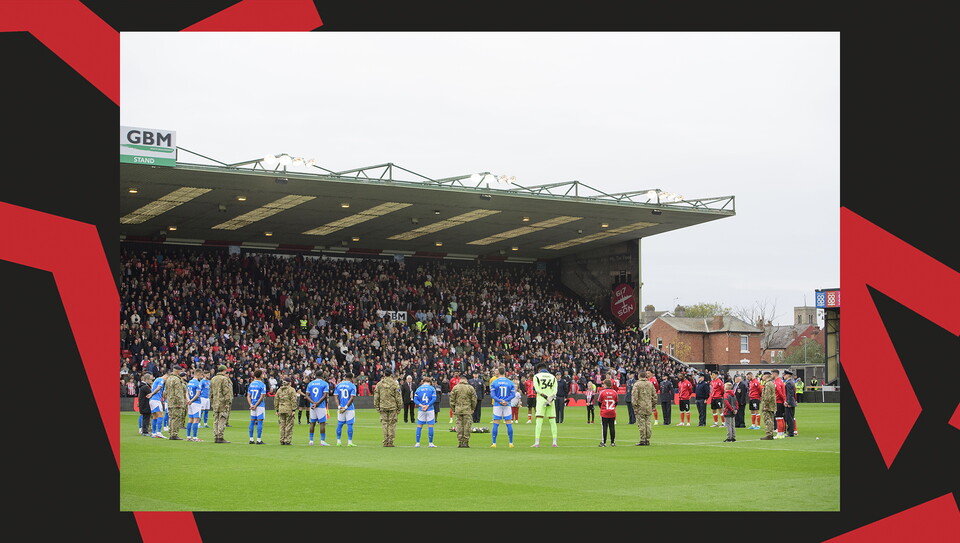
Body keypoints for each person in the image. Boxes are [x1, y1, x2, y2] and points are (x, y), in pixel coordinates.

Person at [531, 364, 559, 447]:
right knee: (552, 421)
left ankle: (537, 442)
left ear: (539, 369)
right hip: (551, 400)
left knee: (539, 421)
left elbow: (537, 389)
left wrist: (545, 397)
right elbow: (555, 390)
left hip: (541, 400)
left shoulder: (536, 376)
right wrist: (550, 397)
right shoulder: (553, 377)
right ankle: (554, 442)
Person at [373, 368, 402, 447]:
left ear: (384, 374)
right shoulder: (395, 384)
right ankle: (391, 441)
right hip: (392, 407)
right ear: (391, 374)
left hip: (383, 406)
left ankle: (385, 441)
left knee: (384, 424)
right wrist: (399, 407)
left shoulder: (379, 384)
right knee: (392, 424)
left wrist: (377, 406)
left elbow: (376, 397)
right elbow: (398, 397)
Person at [489, 367, 516, 448]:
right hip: (507, 405)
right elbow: (513, 395)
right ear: (505, 373)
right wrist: (506, 401)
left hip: (497, 405)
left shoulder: (494, 382)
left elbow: (492, 395)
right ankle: (511, 443)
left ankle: (494, 443)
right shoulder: (510, 382)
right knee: (509, 423)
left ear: (498, 373)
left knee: (496, 423)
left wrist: (500, 401)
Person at [450, 373, 477, 447]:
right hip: (467, 409)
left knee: (459, 425)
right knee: (467, 425)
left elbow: (452, 400)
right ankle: (466, 442)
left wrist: (453, 408)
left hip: (458, 409)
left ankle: (460, 442)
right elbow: (474, 400)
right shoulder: (470, 388)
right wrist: (473, 408)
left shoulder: (455, 388)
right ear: (466, 380)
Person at [305, 372, 331, 446]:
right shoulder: (325, 383)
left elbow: (307, 395)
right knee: (322, 423)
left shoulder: (310, 383)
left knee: (312, 423)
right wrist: (317, 403)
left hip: (312, 406)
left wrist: (313, 403)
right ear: (322, 376)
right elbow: (325, 395)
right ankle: (322, 441)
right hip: (321, 406)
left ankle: (311, 441)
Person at [632, 372, 656, 446]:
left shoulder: (637, 384)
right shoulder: (650, 384)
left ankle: (643, 439)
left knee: (641, 423)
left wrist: (635, 406)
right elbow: (654, 396)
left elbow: (634, 396)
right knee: (648, 423)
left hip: (640, 406)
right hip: (648, 405)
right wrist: (653, 405)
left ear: (639, 376)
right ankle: (648, 439)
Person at [209, 365, 232, 443]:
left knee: (216, 419)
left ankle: (216, 436)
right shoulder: (224, 379)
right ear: (224, 371)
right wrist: (228, 402)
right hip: (222, 402)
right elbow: (226, 391)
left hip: (215, 402)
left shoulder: (213, 379)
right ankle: (220, 436)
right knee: (222, 419)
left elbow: (211, 392)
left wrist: (212, 401)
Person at [334, 373, 358, 446]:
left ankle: (338, 441)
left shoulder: (338, 385)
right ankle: (349, 442)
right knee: (350, 424)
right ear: (351, 378)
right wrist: (346, 407)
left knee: (339, 424)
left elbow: (335, 396)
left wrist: (339, 406)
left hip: (341, 407)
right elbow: (352, 397)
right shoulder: (352, 386)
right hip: (349, 408)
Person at [414, 376, 438, 447]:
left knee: (419, 426)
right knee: (430, 426)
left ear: (423, 382)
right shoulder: (432, 388)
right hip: (430, 409)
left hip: (421, 409)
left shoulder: (418, 389)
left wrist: (421, 405)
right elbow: (434, 399)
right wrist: (427, 405)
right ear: (430, 382)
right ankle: (430, 443)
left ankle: (417, 443)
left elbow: (415, 399)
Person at [165, 368, 187, 441]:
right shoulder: (177, 379)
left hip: (170, 401)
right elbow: (178, 392)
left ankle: (171, 432)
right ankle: (174, 434)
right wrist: (181, 402)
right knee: (176, 418)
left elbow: (166, 391)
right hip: (176, 402)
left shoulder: (168, 378)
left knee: (171, 417)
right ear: (177, 371)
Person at [275, 377, 298, 445]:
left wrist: (277, 409)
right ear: (289, 383)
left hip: (281, 409)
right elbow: (293, 400)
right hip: (289, 409)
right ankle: (287, 440)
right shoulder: (291, 390)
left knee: (282, 425)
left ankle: (282, 439)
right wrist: (294, 410)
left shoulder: (279, 390)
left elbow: (276, 400)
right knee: (289, 425)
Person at [247, 369, 267, 444]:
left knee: (252, 421)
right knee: (260, 422)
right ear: (260, 375)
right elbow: (262, 396)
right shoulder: (262, 385)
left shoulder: (251, 384)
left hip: (252, 405)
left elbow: (248, 396)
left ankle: (251, 439)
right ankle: (258, 439)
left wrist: (251, 404)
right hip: (259, 405)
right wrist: (256, 405)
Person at [597, 378, 618, 447]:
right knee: (612, 427)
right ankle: (613, 442)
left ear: (605, 385)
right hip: (612, 411)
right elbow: (616, 402)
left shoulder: (602, 392)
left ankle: (604, 442)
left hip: (604, 412)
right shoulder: (615, 392)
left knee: (604, 427)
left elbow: (599, 402)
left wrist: (602, 408)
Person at [146, 369, 166, 438]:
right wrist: (152, 394)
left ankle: (154, 433)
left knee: (155, 416)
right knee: (160, 416)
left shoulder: (155, 380)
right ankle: (159, 432)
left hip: (152, 400)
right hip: (156, 400)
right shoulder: (161, 380)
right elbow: (159, 388)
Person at [185, 369, 203, 442]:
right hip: (196, 403)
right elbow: (197, 394)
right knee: (196, 420)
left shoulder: (189, 382)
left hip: (190, 403)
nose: (201, 376)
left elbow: (186, 393)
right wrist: (192, 401)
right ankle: (195, 437)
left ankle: (188, 436)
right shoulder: (198, 383)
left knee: (190, 419)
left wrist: (188, 400)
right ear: (198, 374)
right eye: (201, 375)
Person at [759, 371, 776, 440]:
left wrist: (765, 405)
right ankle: (770, 433)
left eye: (763, 376)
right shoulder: (771, 383)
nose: (762, 377)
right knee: (770, 419)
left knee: (768, 419)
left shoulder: (768, 384)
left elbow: (767, 395)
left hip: (768, 405)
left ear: (766, 376)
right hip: (771, 404)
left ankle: (769, 434)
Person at [772, 369, 786, 439]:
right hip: (780, 401)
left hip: (778, 402)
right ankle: (782, 432)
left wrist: (784, 400)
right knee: (781, 418)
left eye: (772, 374)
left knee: (778, 418)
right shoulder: (781, 381)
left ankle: (779, 433)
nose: (771, 375)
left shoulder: (777, 382)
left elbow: (779, 392)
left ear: (775, 374)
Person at [783, 370, 797, 437]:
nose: (784, 376)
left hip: (790, 402)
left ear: (788, 375)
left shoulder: (788, 383)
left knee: (789, 418)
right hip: (792, 401)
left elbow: (789, 394)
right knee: (790, 417)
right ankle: (791, 431)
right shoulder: (791, 382)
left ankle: (790, 432)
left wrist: (788, 402)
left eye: (785, 375)